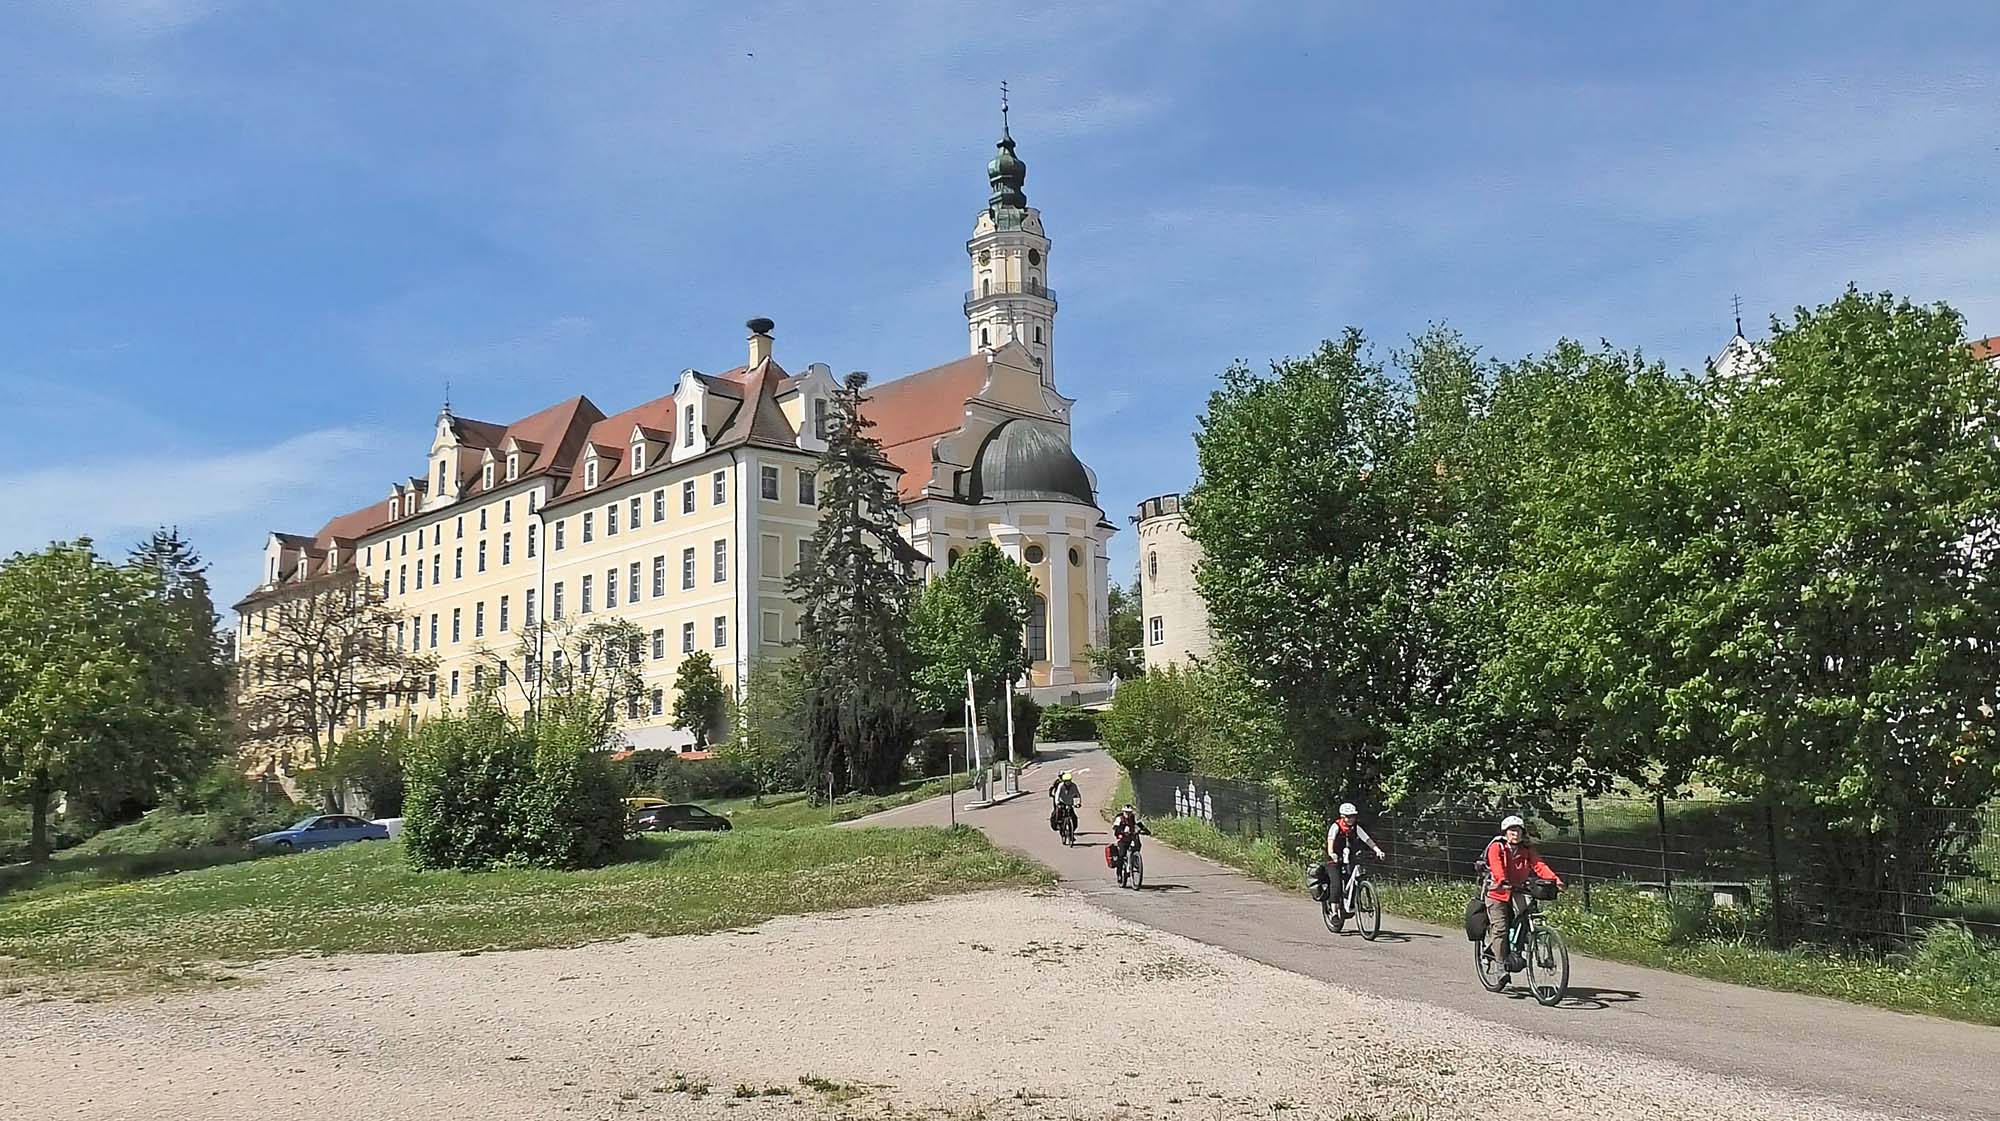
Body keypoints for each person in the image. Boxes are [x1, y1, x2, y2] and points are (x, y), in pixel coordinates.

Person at [1483, 814, 1562, 975]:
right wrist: (1502, 880)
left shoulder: (1526, 849)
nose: (1515, 834)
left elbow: (1539, 865)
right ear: (1505, 832)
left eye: (1518, 830)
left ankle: (1518, 947)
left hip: (1518, 889)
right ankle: (1500, 966)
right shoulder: (1497, 847)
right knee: (1500, 929)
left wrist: (1555, 880)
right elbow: (1496, 865)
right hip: (1497, 892)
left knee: (1525, 916)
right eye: (1512, 830)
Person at [1325, 802, 1386, 918]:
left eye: (1353, 816)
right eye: (1348, 816)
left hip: (1349, 857)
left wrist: (1377, 850)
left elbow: (1367, 839)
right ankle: (1334, 911)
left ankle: (1350, 903)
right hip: (1334, 858)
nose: (1351, 819)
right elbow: (1330, 840)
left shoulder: (1356, 827)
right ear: (1342, 817)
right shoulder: (1335, 827)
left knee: (1352, 878)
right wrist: (1331, 853)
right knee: (1336, 884)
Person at [1110, 803, 1150, 870]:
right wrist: (1122, 831)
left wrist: (1146, 831)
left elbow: (1139, 824)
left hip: (1131, 836)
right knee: (1121, 855)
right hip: (1122, 838)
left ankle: (1135, 859)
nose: (1128, 814)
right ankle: (1119, 873)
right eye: (1126, 812)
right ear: (1123, 812)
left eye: (1129, 812)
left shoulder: (1133, 817)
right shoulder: (1119, 818)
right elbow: (1115, 827)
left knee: (1138, 845)